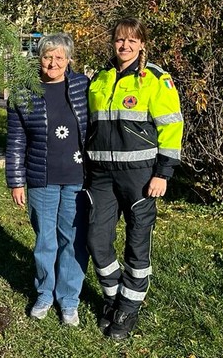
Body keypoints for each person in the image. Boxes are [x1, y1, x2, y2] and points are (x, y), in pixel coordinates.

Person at [85, 17, 183, 340]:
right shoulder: (100, 78)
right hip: (100, 176)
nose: (124, 46)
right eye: (118, 40)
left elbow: (171, 126)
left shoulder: (155, 79)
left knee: (136, 248)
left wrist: (163, 173)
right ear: (112, 42)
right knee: (97, 242)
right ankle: (114, 297)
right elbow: (90, 125)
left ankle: (128, 310)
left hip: (141, 177)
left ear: (142, 43)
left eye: (131, 40)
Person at [5, 33, 89, 326]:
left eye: (59, 57)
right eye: (47, 56)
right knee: (45, 240)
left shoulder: (82, 87)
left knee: (73, 239)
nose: (52, 63)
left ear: (68, 60)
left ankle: (69, 299)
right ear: (38, 58)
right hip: (41, 177)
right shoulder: (24, 92)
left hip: (77, 178)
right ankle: (44, 293)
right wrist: (16, 180)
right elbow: (16, 141)